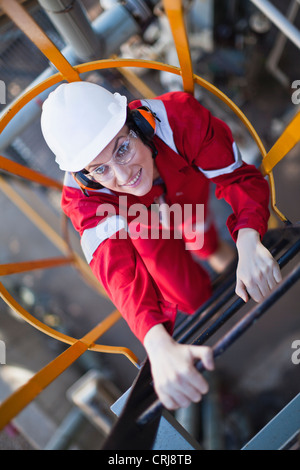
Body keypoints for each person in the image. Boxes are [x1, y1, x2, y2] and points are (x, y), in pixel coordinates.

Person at [41, 81, 282, 410]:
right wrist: (156, 344)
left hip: (182, 192)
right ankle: (232, 298)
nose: (123, 176)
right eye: (100, 169)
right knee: (188, 295)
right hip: (141, 222)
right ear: (85, 177)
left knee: (202, 236)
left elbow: (237, 178)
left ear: (138, 124)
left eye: (122, 149)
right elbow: (118, 272)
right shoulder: (83, 199)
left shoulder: (179, 119)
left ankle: (227, 265)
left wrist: (250, 238)